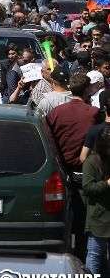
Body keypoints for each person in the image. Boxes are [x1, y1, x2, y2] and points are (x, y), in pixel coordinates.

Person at [47, 73, 101, 259]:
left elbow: (50, 139)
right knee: (83, 220)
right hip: (83, 172)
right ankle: (80, 255)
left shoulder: (56, 112)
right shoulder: (93, 113)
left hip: (60, 171)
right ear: (86, 90)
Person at [82, 127, 110, 278]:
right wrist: (106, 184)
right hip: (99, 217)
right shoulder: (92, 162)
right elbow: (87, 187)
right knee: (94, 254)